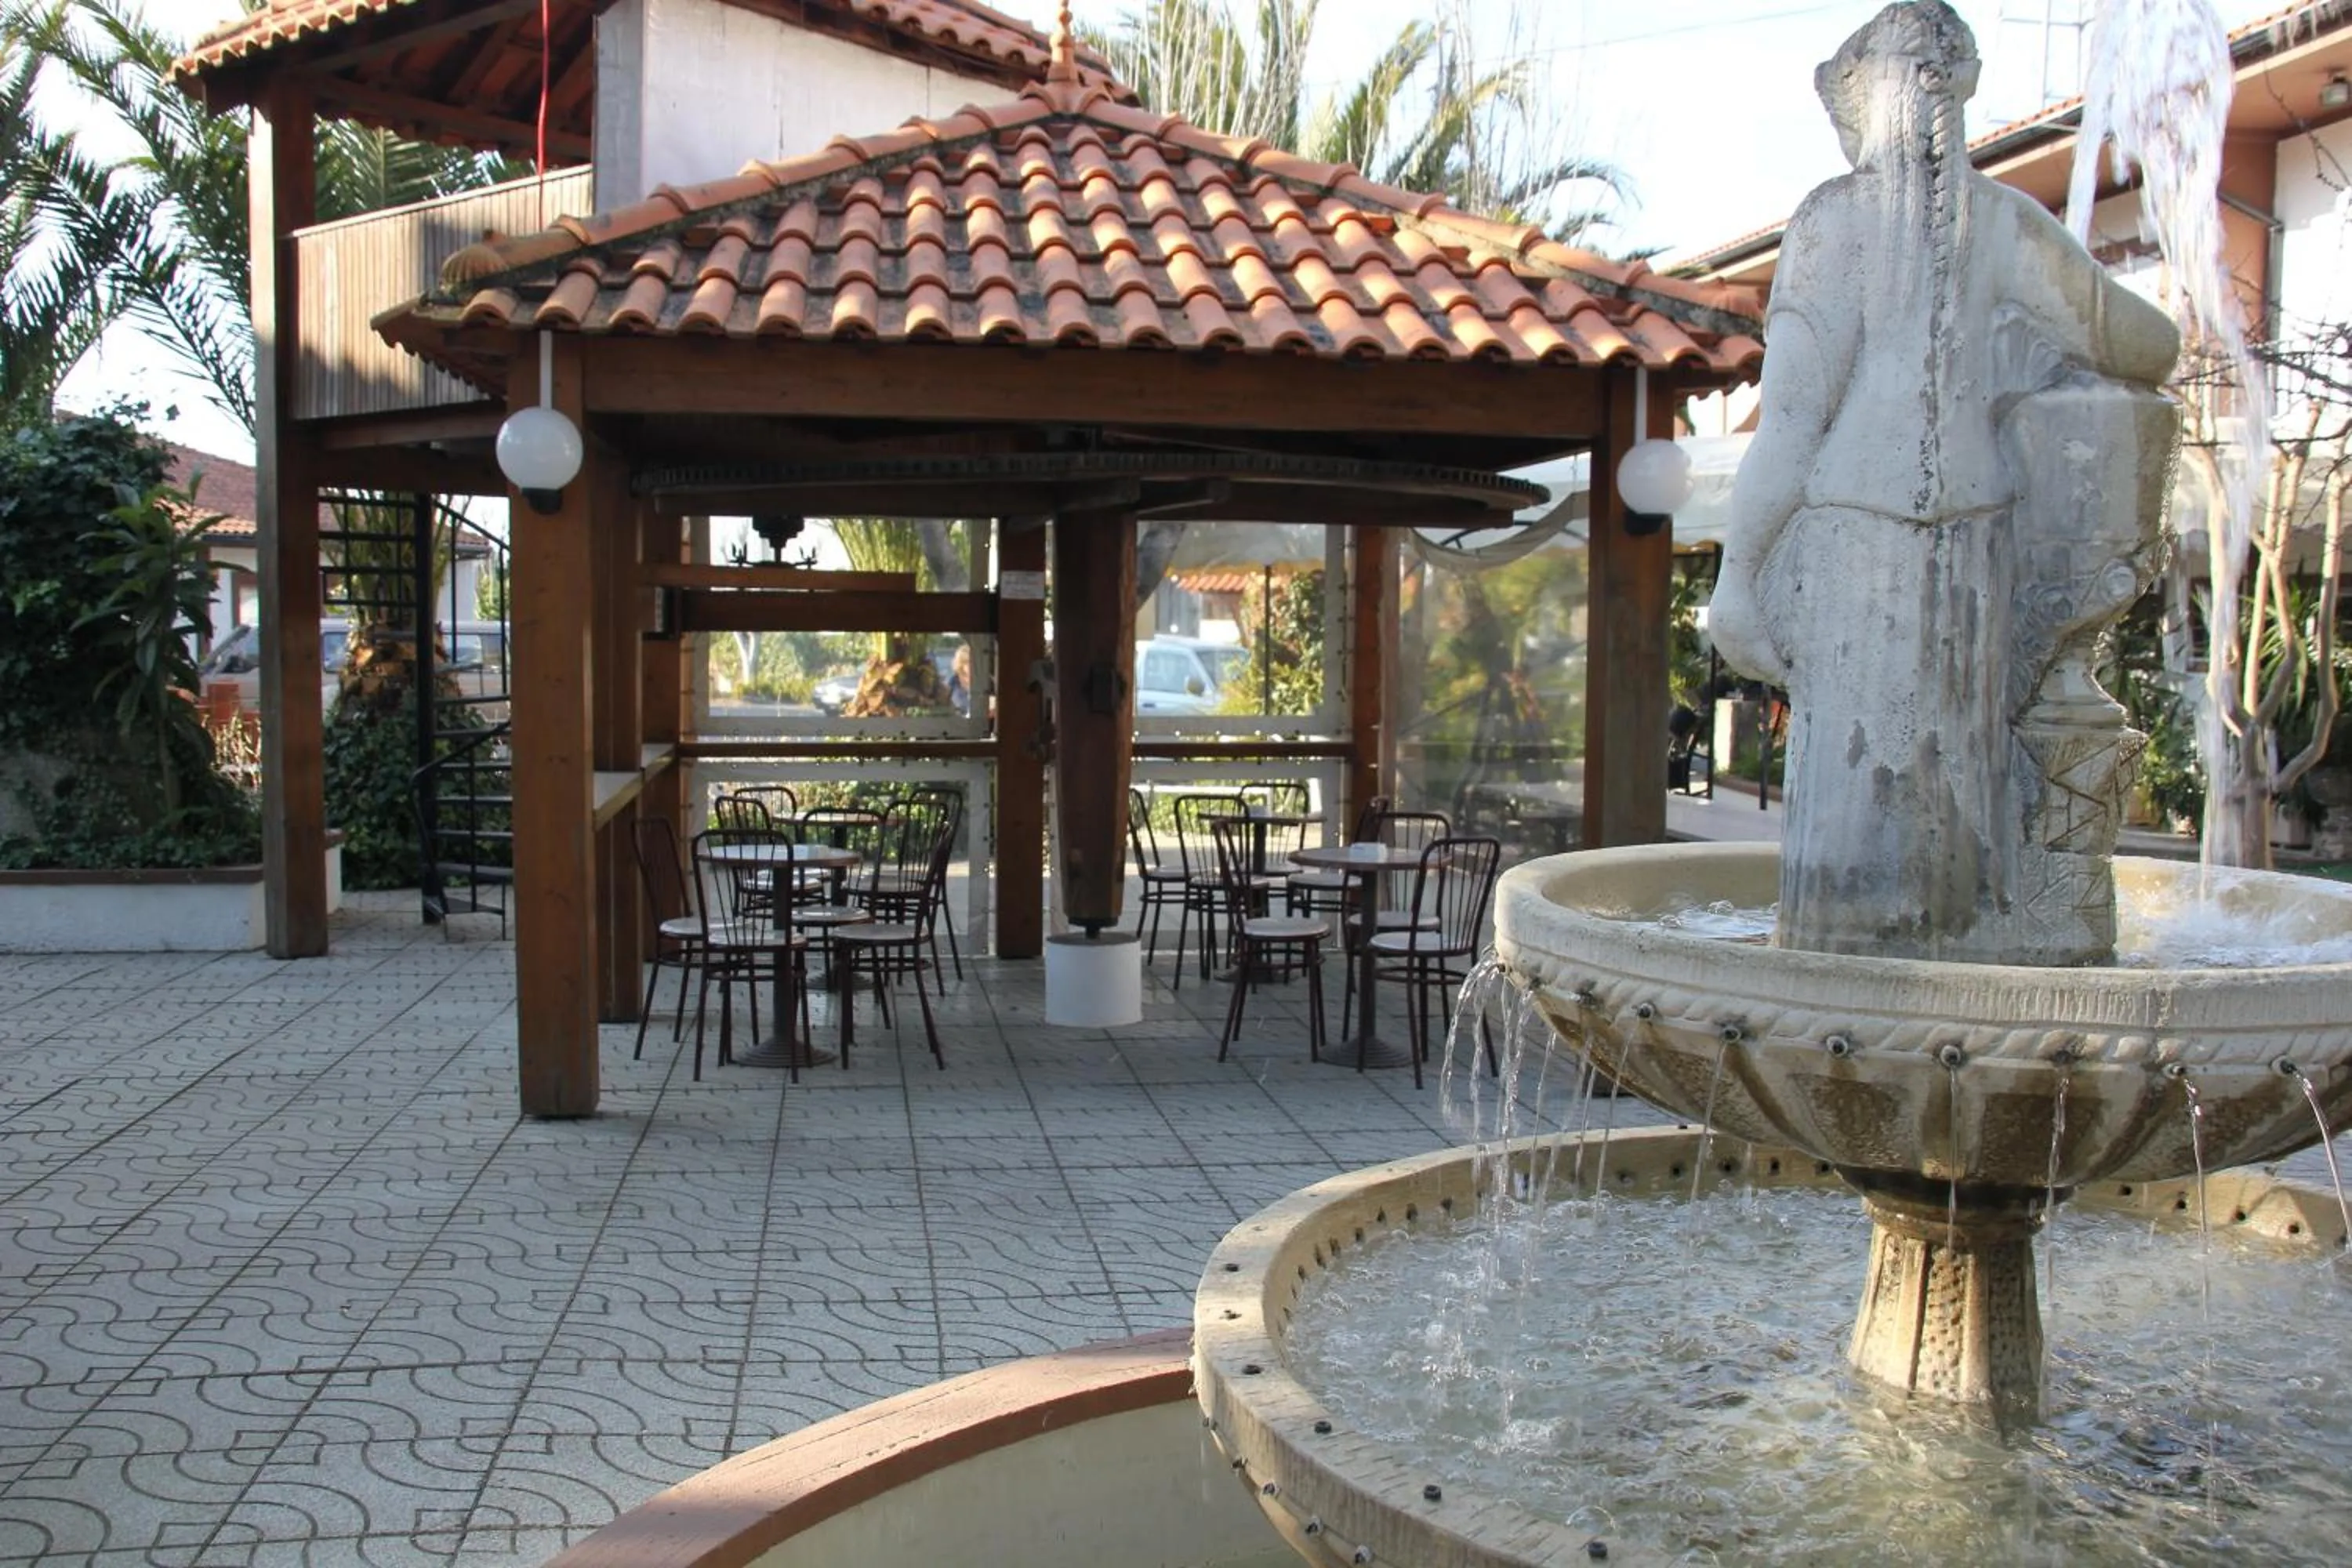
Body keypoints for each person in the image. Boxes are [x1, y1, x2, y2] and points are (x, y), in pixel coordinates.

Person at [1708, 0, 2179, 964]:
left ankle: (1852, 1017)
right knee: (1953, 814)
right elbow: (2149, 344)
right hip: (1976, 537)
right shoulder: (2007, 225)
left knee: (1853, 841)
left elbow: (1792, 420)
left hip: (1855, 537)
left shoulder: (1835, 220)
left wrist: (1737, 575)